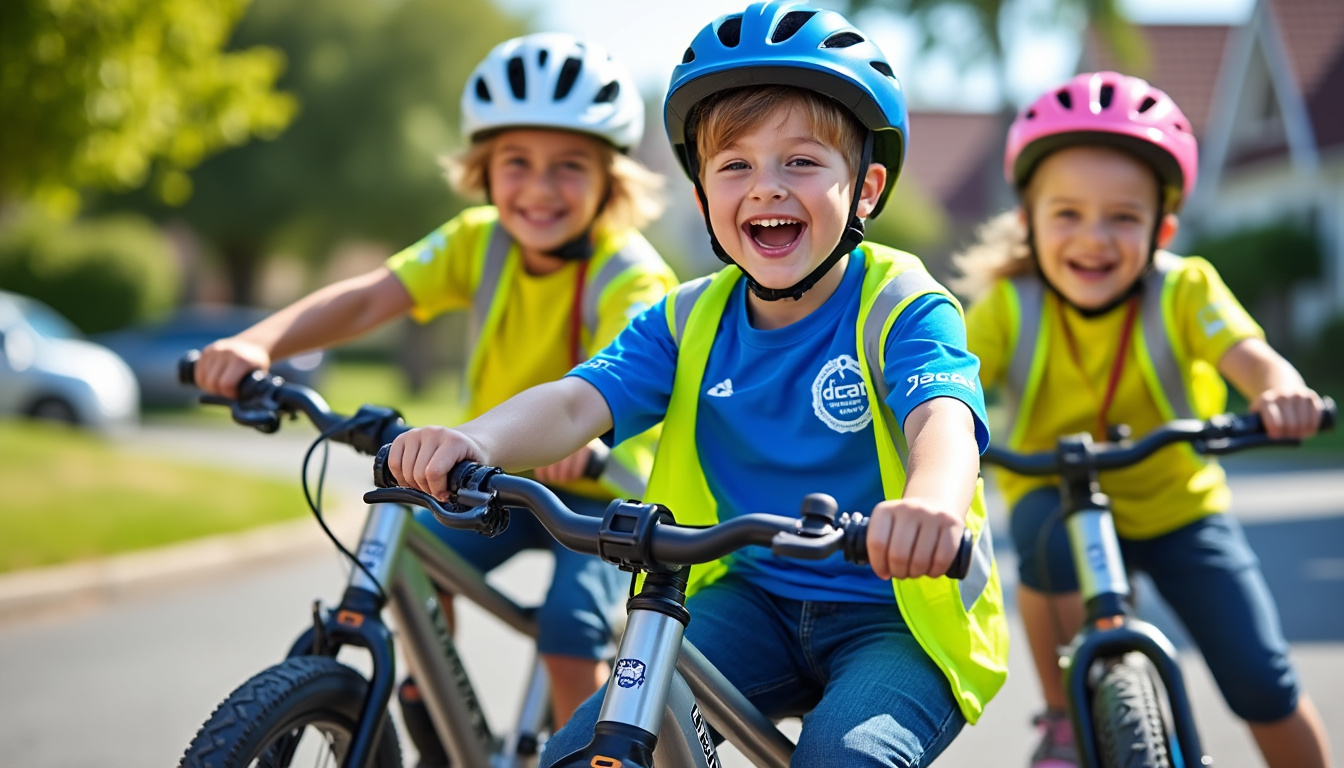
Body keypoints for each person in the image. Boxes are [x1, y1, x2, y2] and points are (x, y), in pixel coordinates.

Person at [387, 3, 1010, 766]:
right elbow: (578, 398)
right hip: (745, 601)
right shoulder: (687, 318)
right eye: (736, 165)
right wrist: (474, 438)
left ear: (867, 188)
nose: (767, 189)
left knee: (843, 756)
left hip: (897, 615)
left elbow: (942, 420)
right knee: (584, 751)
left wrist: (930, 505)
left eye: (802, 163)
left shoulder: (898, 302)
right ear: (702, 196)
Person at [193, 31, 679, 764]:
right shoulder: (478, 242)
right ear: (483, 171)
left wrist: (591, 443)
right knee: (412, 546)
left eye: (569, 167)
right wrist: (261, 343)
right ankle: (443, 732)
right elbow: (364, 300)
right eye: (516, 163)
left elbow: (628, 384)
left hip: (597, 492)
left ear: (612, 180)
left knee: (570, 628)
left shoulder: (631, 275)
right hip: (493, 474)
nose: (540, 188)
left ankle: (577, 748)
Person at [955, 71, 1332, 768]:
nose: (1094, 238)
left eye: (1122, 217)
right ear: (1028, 222)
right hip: (1059, 497)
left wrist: (1283, 390)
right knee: (1038, 540)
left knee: (1261, 678)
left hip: (1179, 507)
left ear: (1161, 229)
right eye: (1066, 213)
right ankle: (1064, 715)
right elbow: (946, 383)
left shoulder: (1184, 289)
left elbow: (1249, 355)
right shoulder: (1008, 307)